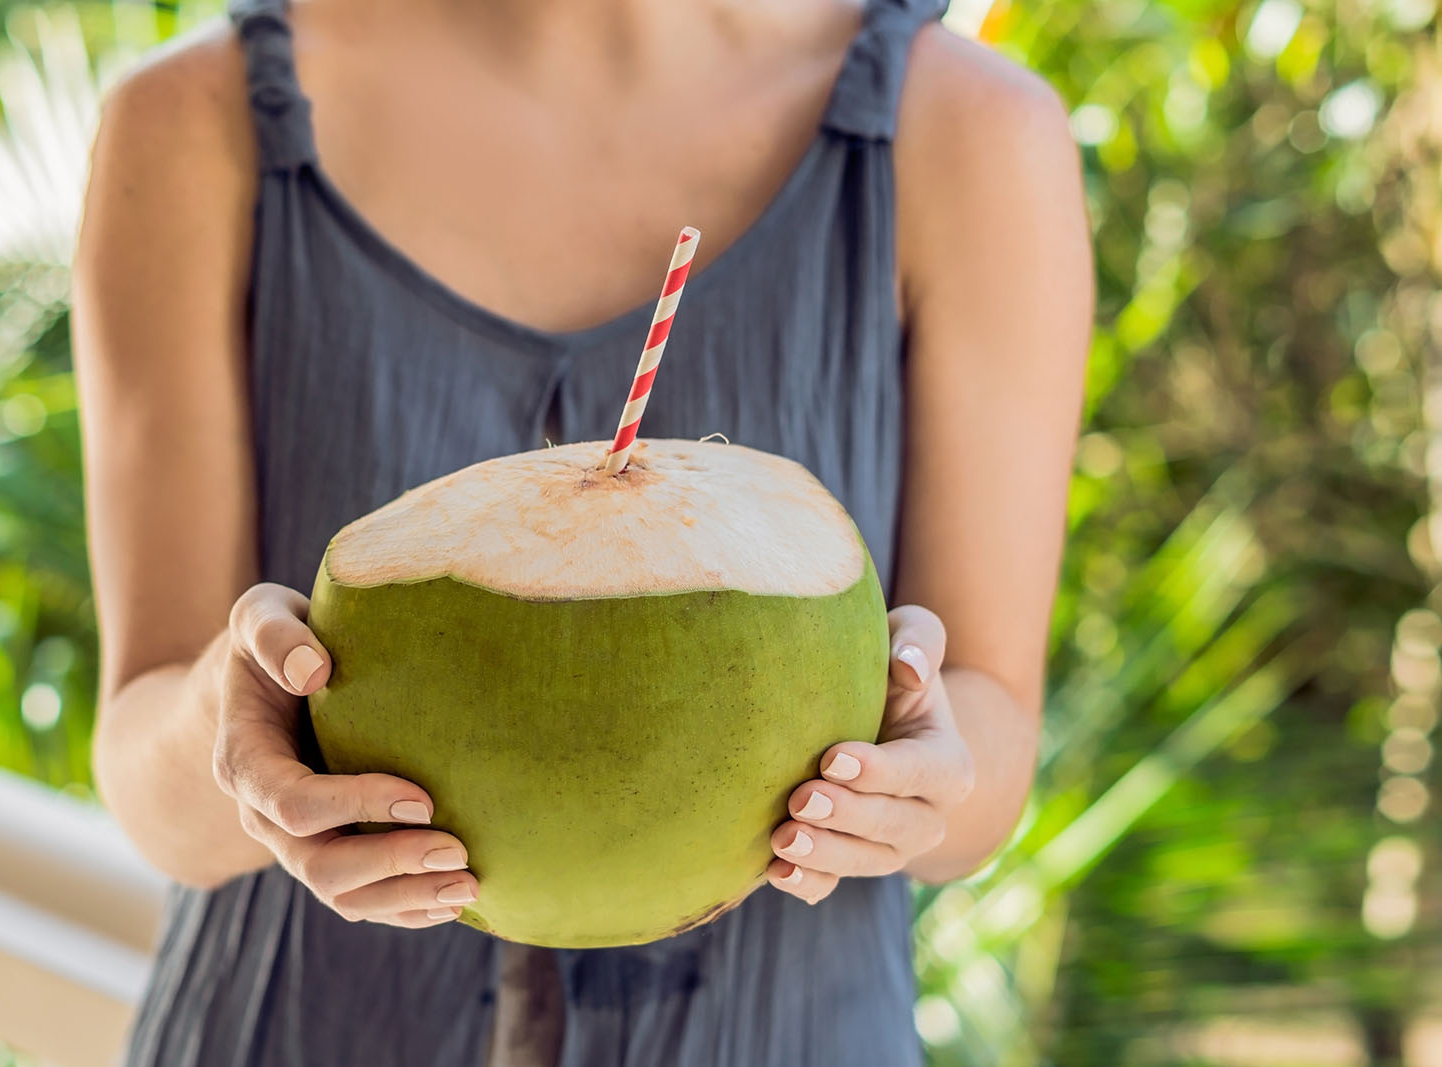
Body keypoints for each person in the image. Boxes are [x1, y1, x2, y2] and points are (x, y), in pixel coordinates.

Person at [70, 0, 1091, 1060]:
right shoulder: (191, 122)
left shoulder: (969, 131)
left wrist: (917, 767)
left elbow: (989, 737)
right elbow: (151, 781)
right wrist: (237, 738)